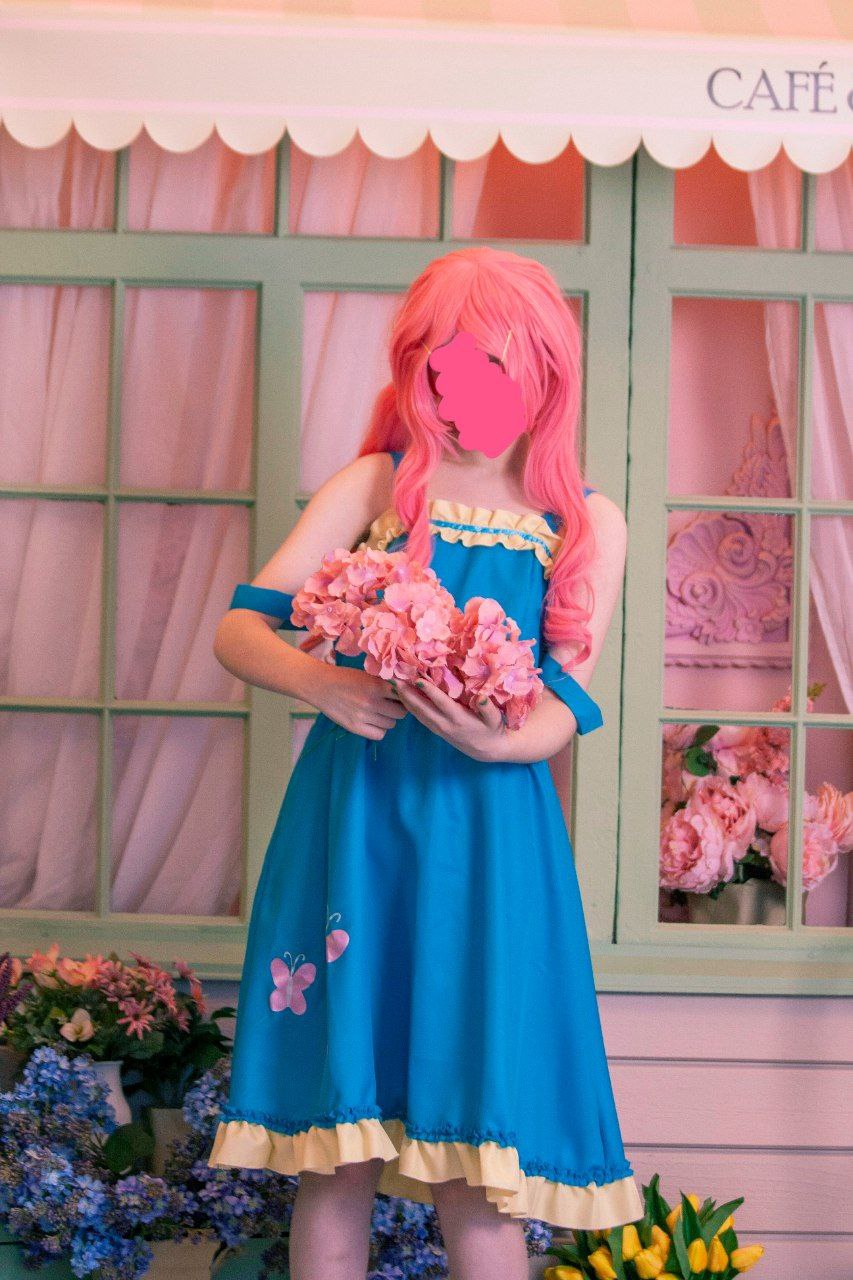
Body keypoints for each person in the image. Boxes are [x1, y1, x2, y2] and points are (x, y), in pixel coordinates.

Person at [207, 246, 643, 1280]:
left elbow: (566, 704)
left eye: (488, 362)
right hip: (356, 824)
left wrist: (497, 738)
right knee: (337, 1154)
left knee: (477, 1167)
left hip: (489, 841)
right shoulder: (376, 484)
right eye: (438, 363)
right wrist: (321, 682)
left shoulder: (584, 521)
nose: (458, 389)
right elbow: (239, 630)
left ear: (542, 369)